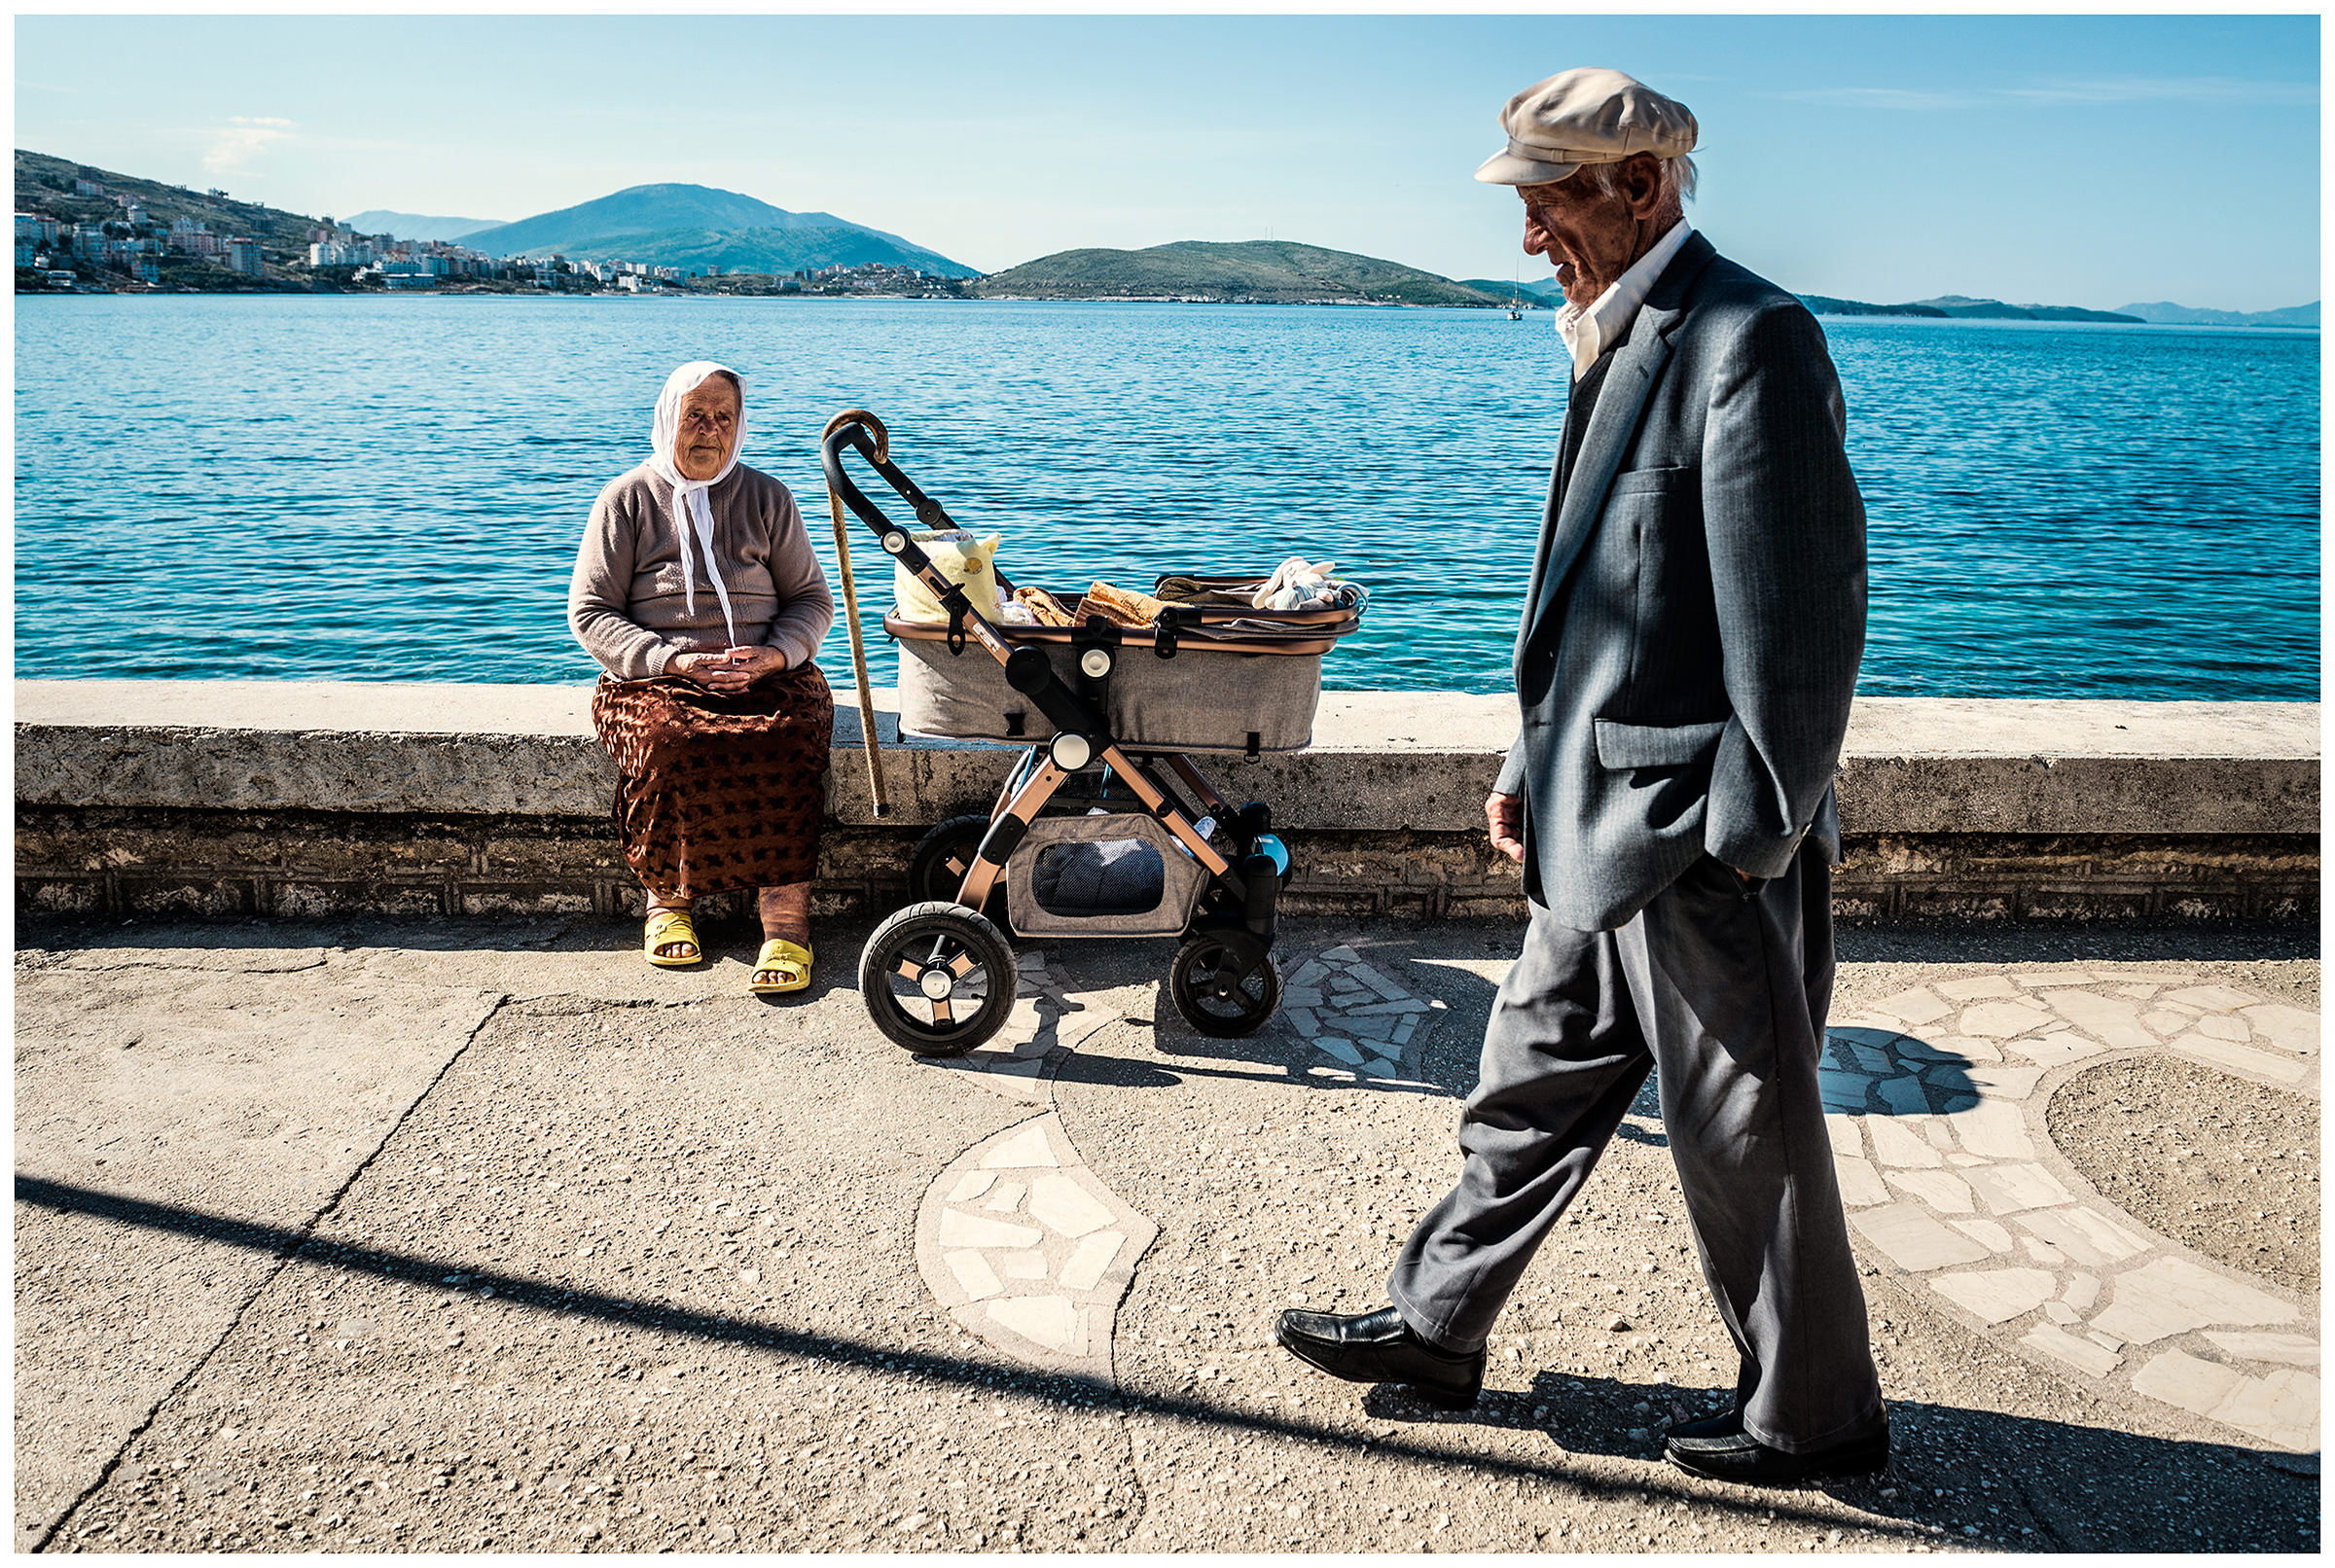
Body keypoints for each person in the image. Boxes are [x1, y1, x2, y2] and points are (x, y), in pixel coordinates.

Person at [1273, 67, 1886, 1484]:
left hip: (1696, 834)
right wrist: (1528, 758)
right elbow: (1604, 601)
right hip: (1592, 810)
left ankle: (1819, 1418)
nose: (1529, 234)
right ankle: (1437, 1324)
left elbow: (1803, 622)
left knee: (1747, 1136)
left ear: (1644, 187)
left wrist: (1747, 838)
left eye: (1551, 201)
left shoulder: (1750, 338)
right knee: (1529, 1080)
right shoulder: (1620, 326)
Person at [569, 361, 837, 993]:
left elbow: (811, 600)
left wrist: (777, 655)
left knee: (790, 735)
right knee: (671, 741)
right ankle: (667, 901)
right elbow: (591, 612)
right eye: (696, 415)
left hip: (765, 669)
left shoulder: (768, 497)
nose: (710, 430)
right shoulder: (626, 499)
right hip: (655, 676)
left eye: (724, 417)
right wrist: (672, 660)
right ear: (669, 418)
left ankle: (786, 919)